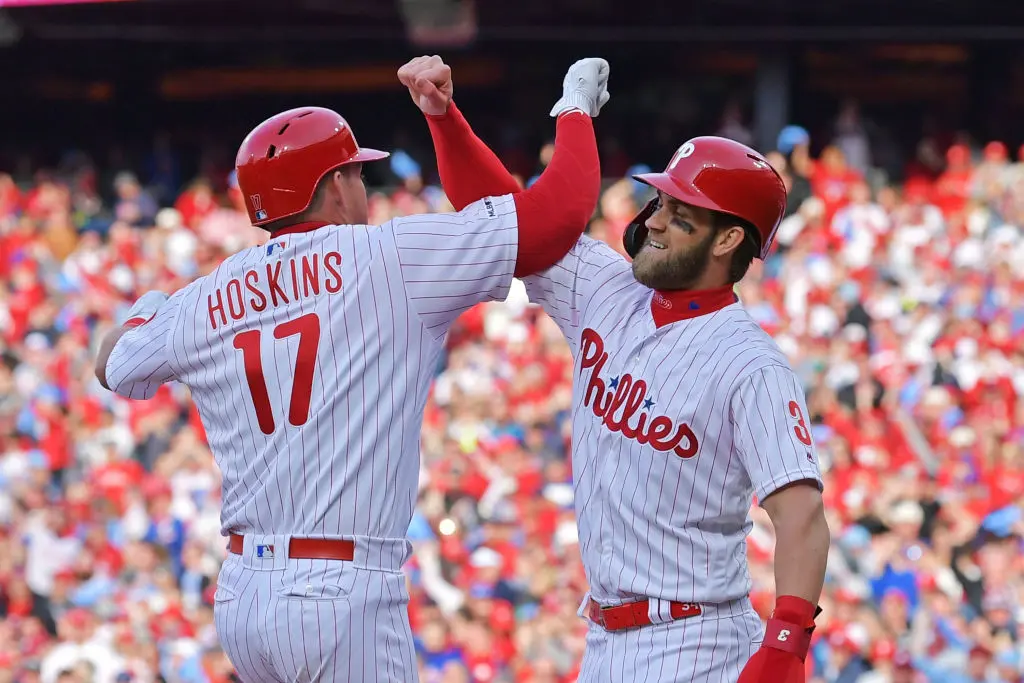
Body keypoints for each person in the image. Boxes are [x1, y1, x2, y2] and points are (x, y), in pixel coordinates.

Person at [93, 56, 611, 682]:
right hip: (338, 593)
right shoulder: (388, 256)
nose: (364, 188)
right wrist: (575, 112)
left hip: (241, 597)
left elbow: (114, 366)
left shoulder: (205, 297)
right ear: (336, 186)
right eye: (357, 174)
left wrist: (149, 309)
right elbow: (555, 219)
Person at [406, 60, 829, 683]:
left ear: (725, 242)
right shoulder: (607, 287)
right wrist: (445, 120)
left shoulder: (750, 364)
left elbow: (801, 517)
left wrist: (786, 643)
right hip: (605, 641)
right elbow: (510, 221)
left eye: (681, 214)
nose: (653, 220)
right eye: (659, 202)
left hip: (698, 641)